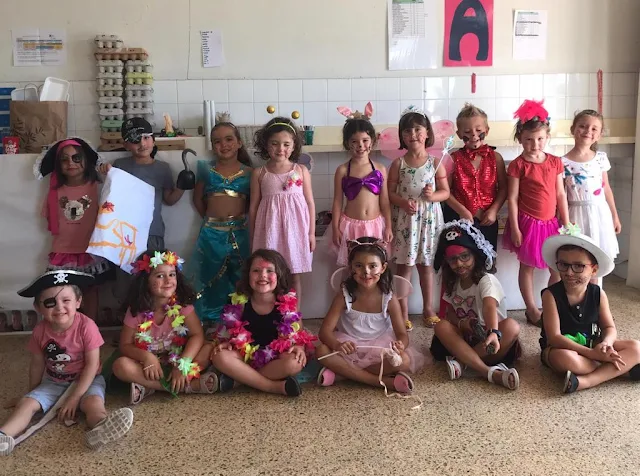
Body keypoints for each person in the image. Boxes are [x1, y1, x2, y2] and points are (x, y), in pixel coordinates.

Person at [0, 270, 133, 456]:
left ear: (78, 302)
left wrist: (75, 397)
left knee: (93, 404)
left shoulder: (87, 327)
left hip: (88, 380)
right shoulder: (40, 331)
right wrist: (32, 394)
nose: (59, 307)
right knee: (26, 404)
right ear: (38, 307)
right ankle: (3, 435)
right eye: (50, 302)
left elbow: (92, 365)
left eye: (66, 300)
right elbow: (37, 364)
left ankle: (101, 427)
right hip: (54, 382)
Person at [98, 118, 188, 308]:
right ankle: (128, 321)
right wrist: (105, 170)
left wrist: (182, 186)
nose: (142, 143)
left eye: (146, 137)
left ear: (153, 140)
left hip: (152, 234)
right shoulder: (119, 165)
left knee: (154, 282)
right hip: (124, 236)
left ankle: (152, 323)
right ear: (126, 145)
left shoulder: (162, 168)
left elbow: (169, 199)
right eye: (135, 140)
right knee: (126, 283)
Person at [316, 237, 424, 393]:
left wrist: (400, 344)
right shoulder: (344, 295)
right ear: (351, 267)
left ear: (383, 267)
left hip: (379, 347)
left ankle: (344, 374)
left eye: (373, 266)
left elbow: (402, 334)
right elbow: (324, 332)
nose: (366, 272)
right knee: (321, 351)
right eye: (359, 266)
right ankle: (380, 382)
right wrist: (337, 345)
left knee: (404, 361)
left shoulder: (389, 298)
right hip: (348, 346)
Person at [540, 224, 640, 393]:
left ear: (594, 269)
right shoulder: (550, 295)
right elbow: (554, 338)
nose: (569, 272)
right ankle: (614, 370)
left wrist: (606, 344)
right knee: (566, 359)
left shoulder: (598, 294)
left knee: (636, 348)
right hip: (561, 349)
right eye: (563, 264)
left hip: (594, 343)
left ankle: (585, 381)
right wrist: (593, 354)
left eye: (578, 266)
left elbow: (609, 327)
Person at [108, 250, 217, 404]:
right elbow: (125, 345)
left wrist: (183, 365)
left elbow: (197, 335)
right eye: (160, 276)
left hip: (178, 358)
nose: (168, 280)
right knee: (121, 366)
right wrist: (147, 357)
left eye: (172, 274)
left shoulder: (182, 305)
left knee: (208, 348)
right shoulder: (136, 310)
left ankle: (150, 387)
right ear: (145, 281)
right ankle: (188, 386)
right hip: (148, 365)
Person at [209, 249, 316, 397]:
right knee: (219, 356)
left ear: (279, 275)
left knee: (294, 363)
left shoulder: (287, 303)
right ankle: (272, 387)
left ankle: (241, 379)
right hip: (245, 356)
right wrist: (228, 342)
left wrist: (299, 347)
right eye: (256, 271)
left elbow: (298, 333)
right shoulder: (239, 302)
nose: (263, 275)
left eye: (269, 271)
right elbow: (230, 330)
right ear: (248, 275)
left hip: (275, 357)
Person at [430, 221, 521, 390]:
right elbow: (450, 313)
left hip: (491, 342)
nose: (459, 264)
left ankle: (463, 362)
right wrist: (461, 324)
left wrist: (493, 332)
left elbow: (489, 306)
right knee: (441, 326)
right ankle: (488, 372)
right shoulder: (453, 282)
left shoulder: (486, 280)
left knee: (512, 326)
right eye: (453, 259)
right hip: (465, 339)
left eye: (465, 256)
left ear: (475, 255)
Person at [503, 100, 569, 326]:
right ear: (520, 139)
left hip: (551, 224)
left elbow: (560, 194)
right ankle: (531, 309)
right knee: (527, 267)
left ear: (547, 137)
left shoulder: (555, 162)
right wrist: (515, 228)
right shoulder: (518, 165)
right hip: (528, 224)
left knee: (556, 268)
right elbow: (512, 198)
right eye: (529, 139)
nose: (535, 144)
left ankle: (551, 306)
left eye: (540, 139)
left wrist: (567, 222)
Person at [35, 138, 114, 321]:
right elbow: (48, 217)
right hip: (63, 250)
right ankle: (69, 327)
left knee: (91, 291)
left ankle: (90, 327)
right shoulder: (54, 191)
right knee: (64, 292)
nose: (70, 162)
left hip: (89, 249)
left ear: (86, 160)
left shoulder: (97, 186)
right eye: (64, 159)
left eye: (76, 158)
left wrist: (109, 172)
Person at [388, 106, 449, 329]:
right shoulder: (398, 164)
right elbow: (390, 193)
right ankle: (402, 311)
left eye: (417, 129)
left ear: (427, 133)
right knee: (404, 267)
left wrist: (432, 196)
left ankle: (428, 309)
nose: (412, 134)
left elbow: (445, 193)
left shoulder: (435, 163)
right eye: (407, 131)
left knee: (426, 266)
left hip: (428, 221)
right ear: (401, 136)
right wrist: (404, 203)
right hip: (407, 222)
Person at [187, 122, 252, 325]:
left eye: (229, 139)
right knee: (208, 275)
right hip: (210, 234)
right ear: (212, 146)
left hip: (239, 233)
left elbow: (252, 203)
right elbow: (197, 199)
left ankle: (238, 321)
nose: (224, 145)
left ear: (239, 142)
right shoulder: (206, 170)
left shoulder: (250, 173)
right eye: (217, 141)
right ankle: (210, 321)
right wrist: (211, 221)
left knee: (239, 276)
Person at [249, 117, 315, 308]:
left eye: (286, 144)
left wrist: (311, 233)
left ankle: (294, 316)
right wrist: (253, 236)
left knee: (294, 276)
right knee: (270, 274)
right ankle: (272, 315)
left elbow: (310, 203)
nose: (280, 149)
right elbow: (253, 207)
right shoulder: (259, 173)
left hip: (296, 233)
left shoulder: (301, 170)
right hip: (269, 233)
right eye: (275, 143)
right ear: (266, 145)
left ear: (294, 146)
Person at [328, 103, 393, 269]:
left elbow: (385, 201)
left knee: (375, 268)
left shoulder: (380, 168)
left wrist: (388, 226)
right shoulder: (342, 170)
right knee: (352, 268)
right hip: (350, 227)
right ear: (347, 143)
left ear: (372, 141)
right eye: (354, 141)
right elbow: (337, 202)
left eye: (365, 140)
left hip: (375, 226)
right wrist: (335, 229)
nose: (360, 146)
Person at [444, 103, 507, 250]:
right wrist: (462, 211)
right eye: (467, 131)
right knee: (459, 258)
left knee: (487, 258)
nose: (474, 135)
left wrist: (494, 210)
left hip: (487, 220)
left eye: (478, 130)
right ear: (459, 134)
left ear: (487, 130)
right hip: (459, 221)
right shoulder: (453, 159)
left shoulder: (496, 158)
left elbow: (504, 188)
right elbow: (446, 191)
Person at [562, 110, 620, 266]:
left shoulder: (600, 158)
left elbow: (606, 189)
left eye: (594, 128)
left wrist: (614, 216)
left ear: (599, 135)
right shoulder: (562, 162)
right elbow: (562, 196)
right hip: (576, 215)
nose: (588, 131)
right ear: (573, 129)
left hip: (600, 213)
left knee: (599, 259)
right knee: (579, 258)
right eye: (583, 126)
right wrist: (564, 221)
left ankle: (596, 283)